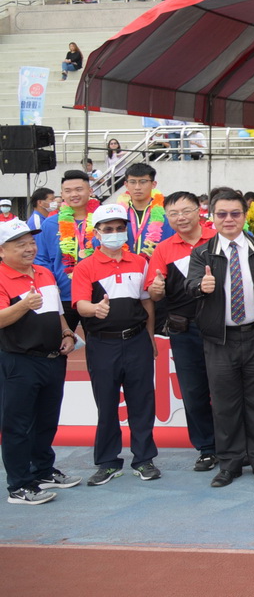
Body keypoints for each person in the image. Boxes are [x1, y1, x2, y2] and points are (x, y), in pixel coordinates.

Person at [186, 189, 254, 487]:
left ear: (244, 215)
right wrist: (202, 285)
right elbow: (189, 286)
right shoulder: (201, 253)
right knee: (225, 404)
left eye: (235, 213)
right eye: (222, 214)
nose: (228, 219)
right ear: (212, 217)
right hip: (219, 340)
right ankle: (230, 463)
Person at [72, 203, 159, 486]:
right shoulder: (85, 267)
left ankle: (144, 459)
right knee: (107, 404)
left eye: (120, 228)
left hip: (137, 342)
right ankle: (108, 462)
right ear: (96, 233)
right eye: (108, 229)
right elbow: (81, 304)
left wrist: (149, 337)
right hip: (103, 345)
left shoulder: (140, 262)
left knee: (142, 402)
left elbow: (146, 301)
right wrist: (94, 309)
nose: (114, 233)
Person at [0, 218, 79, 505]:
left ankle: (43, 470)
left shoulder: (44, 272)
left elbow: (56, 311)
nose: (29, 248)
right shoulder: (1, 276)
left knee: (46, 421)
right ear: (2, 250)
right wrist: (22, 305)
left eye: (31, 242)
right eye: (20, 244)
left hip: (52, 359)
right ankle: (19, 485)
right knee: (17, 425)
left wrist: (68, 333)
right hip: (18, 361)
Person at [145, 191, 219, 472]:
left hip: (221, 327)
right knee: (193, 390)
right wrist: (156, 289)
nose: (181, 218)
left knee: (226, 388)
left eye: (186, 211)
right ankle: (207, 447)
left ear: (199, 211)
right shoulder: (164, 249)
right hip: (184, 330)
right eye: (174, 214)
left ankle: (235, 444)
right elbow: (153, 288)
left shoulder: (216, 238)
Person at [35, 169, 99, 332]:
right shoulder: (50, 224)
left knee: (100, 346)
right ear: (62, 194)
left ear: (90, 191)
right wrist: (50, 286)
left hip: (96, 294)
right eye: (68, 191)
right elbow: (41, 259)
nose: (74, 195)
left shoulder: (102, 221)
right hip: (63, 295)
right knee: (59, 344)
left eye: (79, 189)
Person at [118, 162, 175, 258]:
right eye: (132, 182)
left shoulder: (168, 212)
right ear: (126, 184)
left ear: (153, 184)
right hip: (125, 268)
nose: (137, 187)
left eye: (143, 182)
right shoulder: (118, 212)